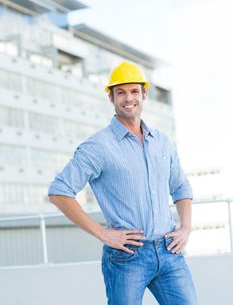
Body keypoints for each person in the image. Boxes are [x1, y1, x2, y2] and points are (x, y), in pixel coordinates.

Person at [48, 61, 198, 305]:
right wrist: (102, 233)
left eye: (134, 91)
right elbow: (59, 192)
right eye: (121, 92)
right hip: (127, 257)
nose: (128, 98)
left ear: (144, 94)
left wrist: (186, 227)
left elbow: (181, 187)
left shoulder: (162, 141)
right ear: (111, 98)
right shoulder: (98, 146)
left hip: (169, 251)